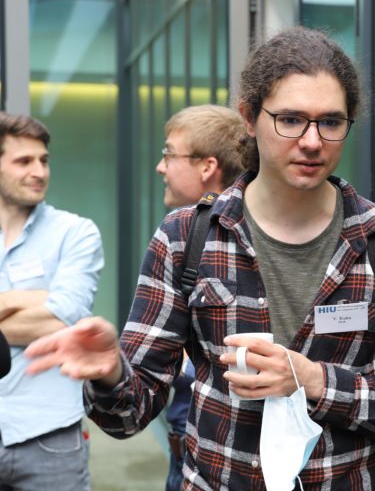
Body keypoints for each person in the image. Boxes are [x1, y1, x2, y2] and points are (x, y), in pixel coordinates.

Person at [26, 26, 375, 490]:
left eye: (330, 122)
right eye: (290, 119)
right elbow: (129, 415)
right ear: (249, 117)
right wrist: (111, 373)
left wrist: (314, 380)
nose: (312, 141)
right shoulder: (187, 237)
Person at [0, 112, 104, 490]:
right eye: (24, 161)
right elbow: (51, 312)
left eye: (44, 160)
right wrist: (38, 298)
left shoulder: (76, 233)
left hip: (49, 435)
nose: (39, 171)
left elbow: (63, 321)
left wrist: (53, 311)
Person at [156, 104, 247, 491]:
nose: (160, 167)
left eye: (169, 154)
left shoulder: (239, 247)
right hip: (187, 454)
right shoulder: (183, 234)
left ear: (208, 166)